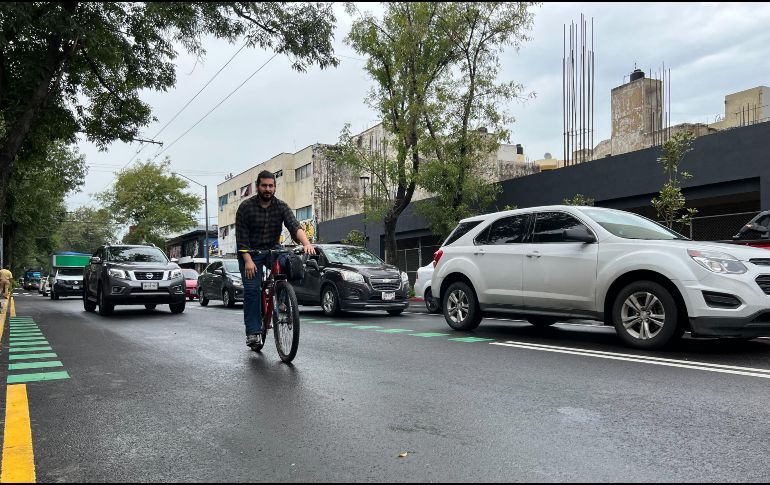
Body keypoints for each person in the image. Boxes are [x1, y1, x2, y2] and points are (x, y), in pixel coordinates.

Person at [235, 170, 316, 348]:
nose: (267, 189)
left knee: (291, 263)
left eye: (271, 186)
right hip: (250, 253)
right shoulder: (246, 208)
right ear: (257, 187)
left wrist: (306, 244)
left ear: (275, 188)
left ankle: (282, 303)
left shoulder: (281, 206)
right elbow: (241, 238)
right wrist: (247, 260)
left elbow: (294, 226)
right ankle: (254, 332)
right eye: (264, 185)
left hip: (273, 250)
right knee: (252, 290)